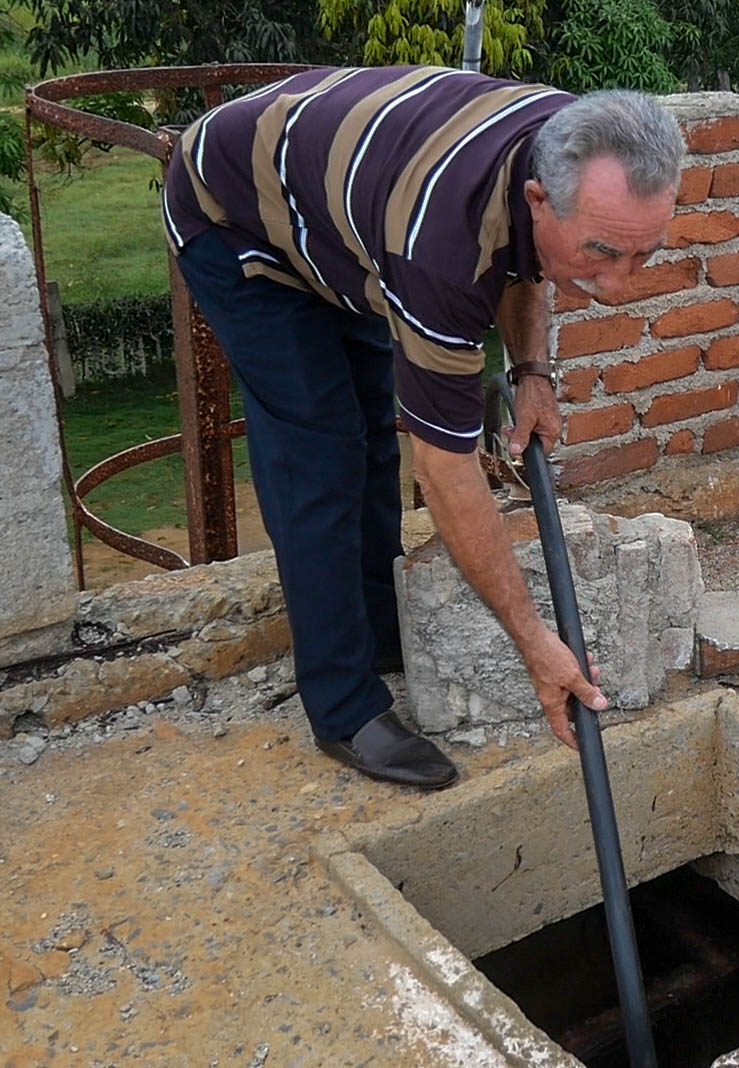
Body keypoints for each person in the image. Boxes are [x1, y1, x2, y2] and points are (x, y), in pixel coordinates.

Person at [161, 66, 685, 789]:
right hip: (235, 218)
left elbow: (525, 261)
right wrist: (535, 644)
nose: (619, 284)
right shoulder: (439, 249)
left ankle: (377, 629)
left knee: (373, 429)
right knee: (320, 455)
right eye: (600, 253)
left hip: (348, 215)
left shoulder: (579, 138)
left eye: (642, 255)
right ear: (538, 198)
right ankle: (344, 705)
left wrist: (532, 371)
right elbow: (444, 467)